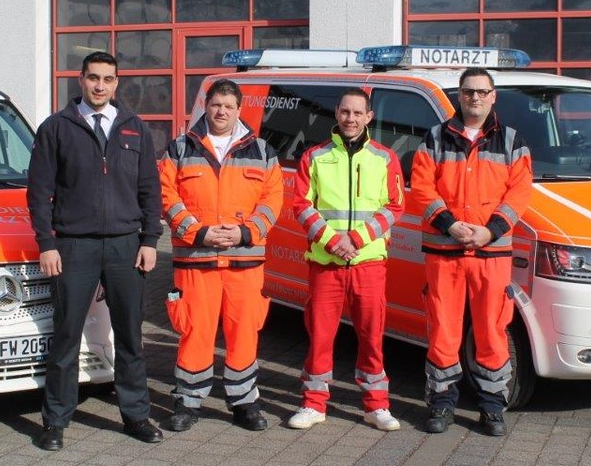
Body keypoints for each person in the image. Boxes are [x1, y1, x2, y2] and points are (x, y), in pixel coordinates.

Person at [27, 51, 164, 451]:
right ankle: (55, 421)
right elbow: (39, 194)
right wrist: (47, 243)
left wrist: (150, 240)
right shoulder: (56, 128)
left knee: (130, 337)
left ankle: (136, 415)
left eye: (107, 79)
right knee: (67, 336)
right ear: (80, 80)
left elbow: (149, 191)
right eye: (93, 78)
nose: (99, 85)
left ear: (117, 83)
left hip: (126, 247)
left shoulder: (135, 129)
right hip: (73, 246)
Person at [410, 67, 533, 436]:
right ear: (459, 96)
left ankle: (492, 407)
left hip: (490, 255)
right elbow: (421, 188)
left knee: (492, 331)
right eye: (468, 92)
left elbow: (520, 194)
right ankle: (442, 403)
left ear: (493, 96)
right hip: (444, 251)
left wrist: (489, 231)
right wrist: (449, 224)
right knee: (443, 332)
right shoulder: (434, 139)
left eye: (481, 91)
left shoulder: (512, 142)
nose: (474, 98)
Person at [159, 79, 283, 431]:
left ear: (239, 110)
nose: (221, 112)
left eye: (228, 106)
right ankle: (188, 402)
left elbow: (273, 201)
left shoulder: (262, 151)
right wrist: (199, 232)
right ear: (206, 106)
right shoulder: (180, 149)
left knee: (244, 332)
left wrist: (245, 232)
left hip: (244, 262)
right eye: (215, 105)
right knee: (194, 331)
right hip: (196, 260)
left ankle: (245, 403)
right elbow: (167, 198)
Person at [288, 88, 405, 432]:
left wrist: (353, 240)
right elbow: (300, 205)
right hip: (326, 263)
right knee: (320, 336)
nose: (350, 119)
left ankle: (376, 406)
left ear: (369, 117)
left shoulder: (385, 158)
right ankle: (313, 404)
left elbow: (395, 206)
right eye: (344, 112)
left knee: (372, 336)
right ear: (335, 113)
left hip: (368, 263)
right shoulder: (315, 157)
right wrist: (332, 241)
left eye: (358, 113)